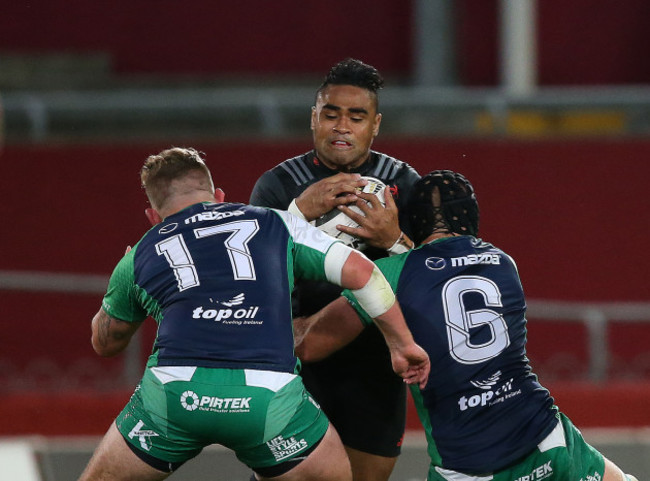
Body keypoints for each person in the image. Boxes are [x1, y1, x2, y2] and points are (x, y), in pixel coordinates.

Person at [77, 147, 429, 481]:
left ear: (153, 217)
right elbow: (364, 274)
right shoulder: (276, 223)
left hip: (175, 396)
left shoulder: (143, 250)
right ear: (218, 195)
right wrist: (402, 344)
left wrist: (123, 281)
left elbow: (105, 342)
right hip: (268, 398)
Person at [295, 170, 639, 481]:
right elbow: (440, 274)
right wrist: (397, 243)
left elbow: (310, 344)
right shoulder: (503, 261)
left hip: (467, 468)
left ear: (414, 221)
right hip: (547, 440)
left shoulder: (388, 276)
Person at [250, 58, 420, 481]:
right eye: (331, 113)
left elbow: (431, 275)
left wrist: (394, 241)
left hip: (375, 368)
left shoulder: (406, 183)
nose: (342, 125)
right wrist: (297, 213)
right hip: (296, 366)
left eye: (356, 116)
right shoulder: (277, 185)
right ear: (314, 119)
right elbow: (250, 275)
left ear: (375, 125)